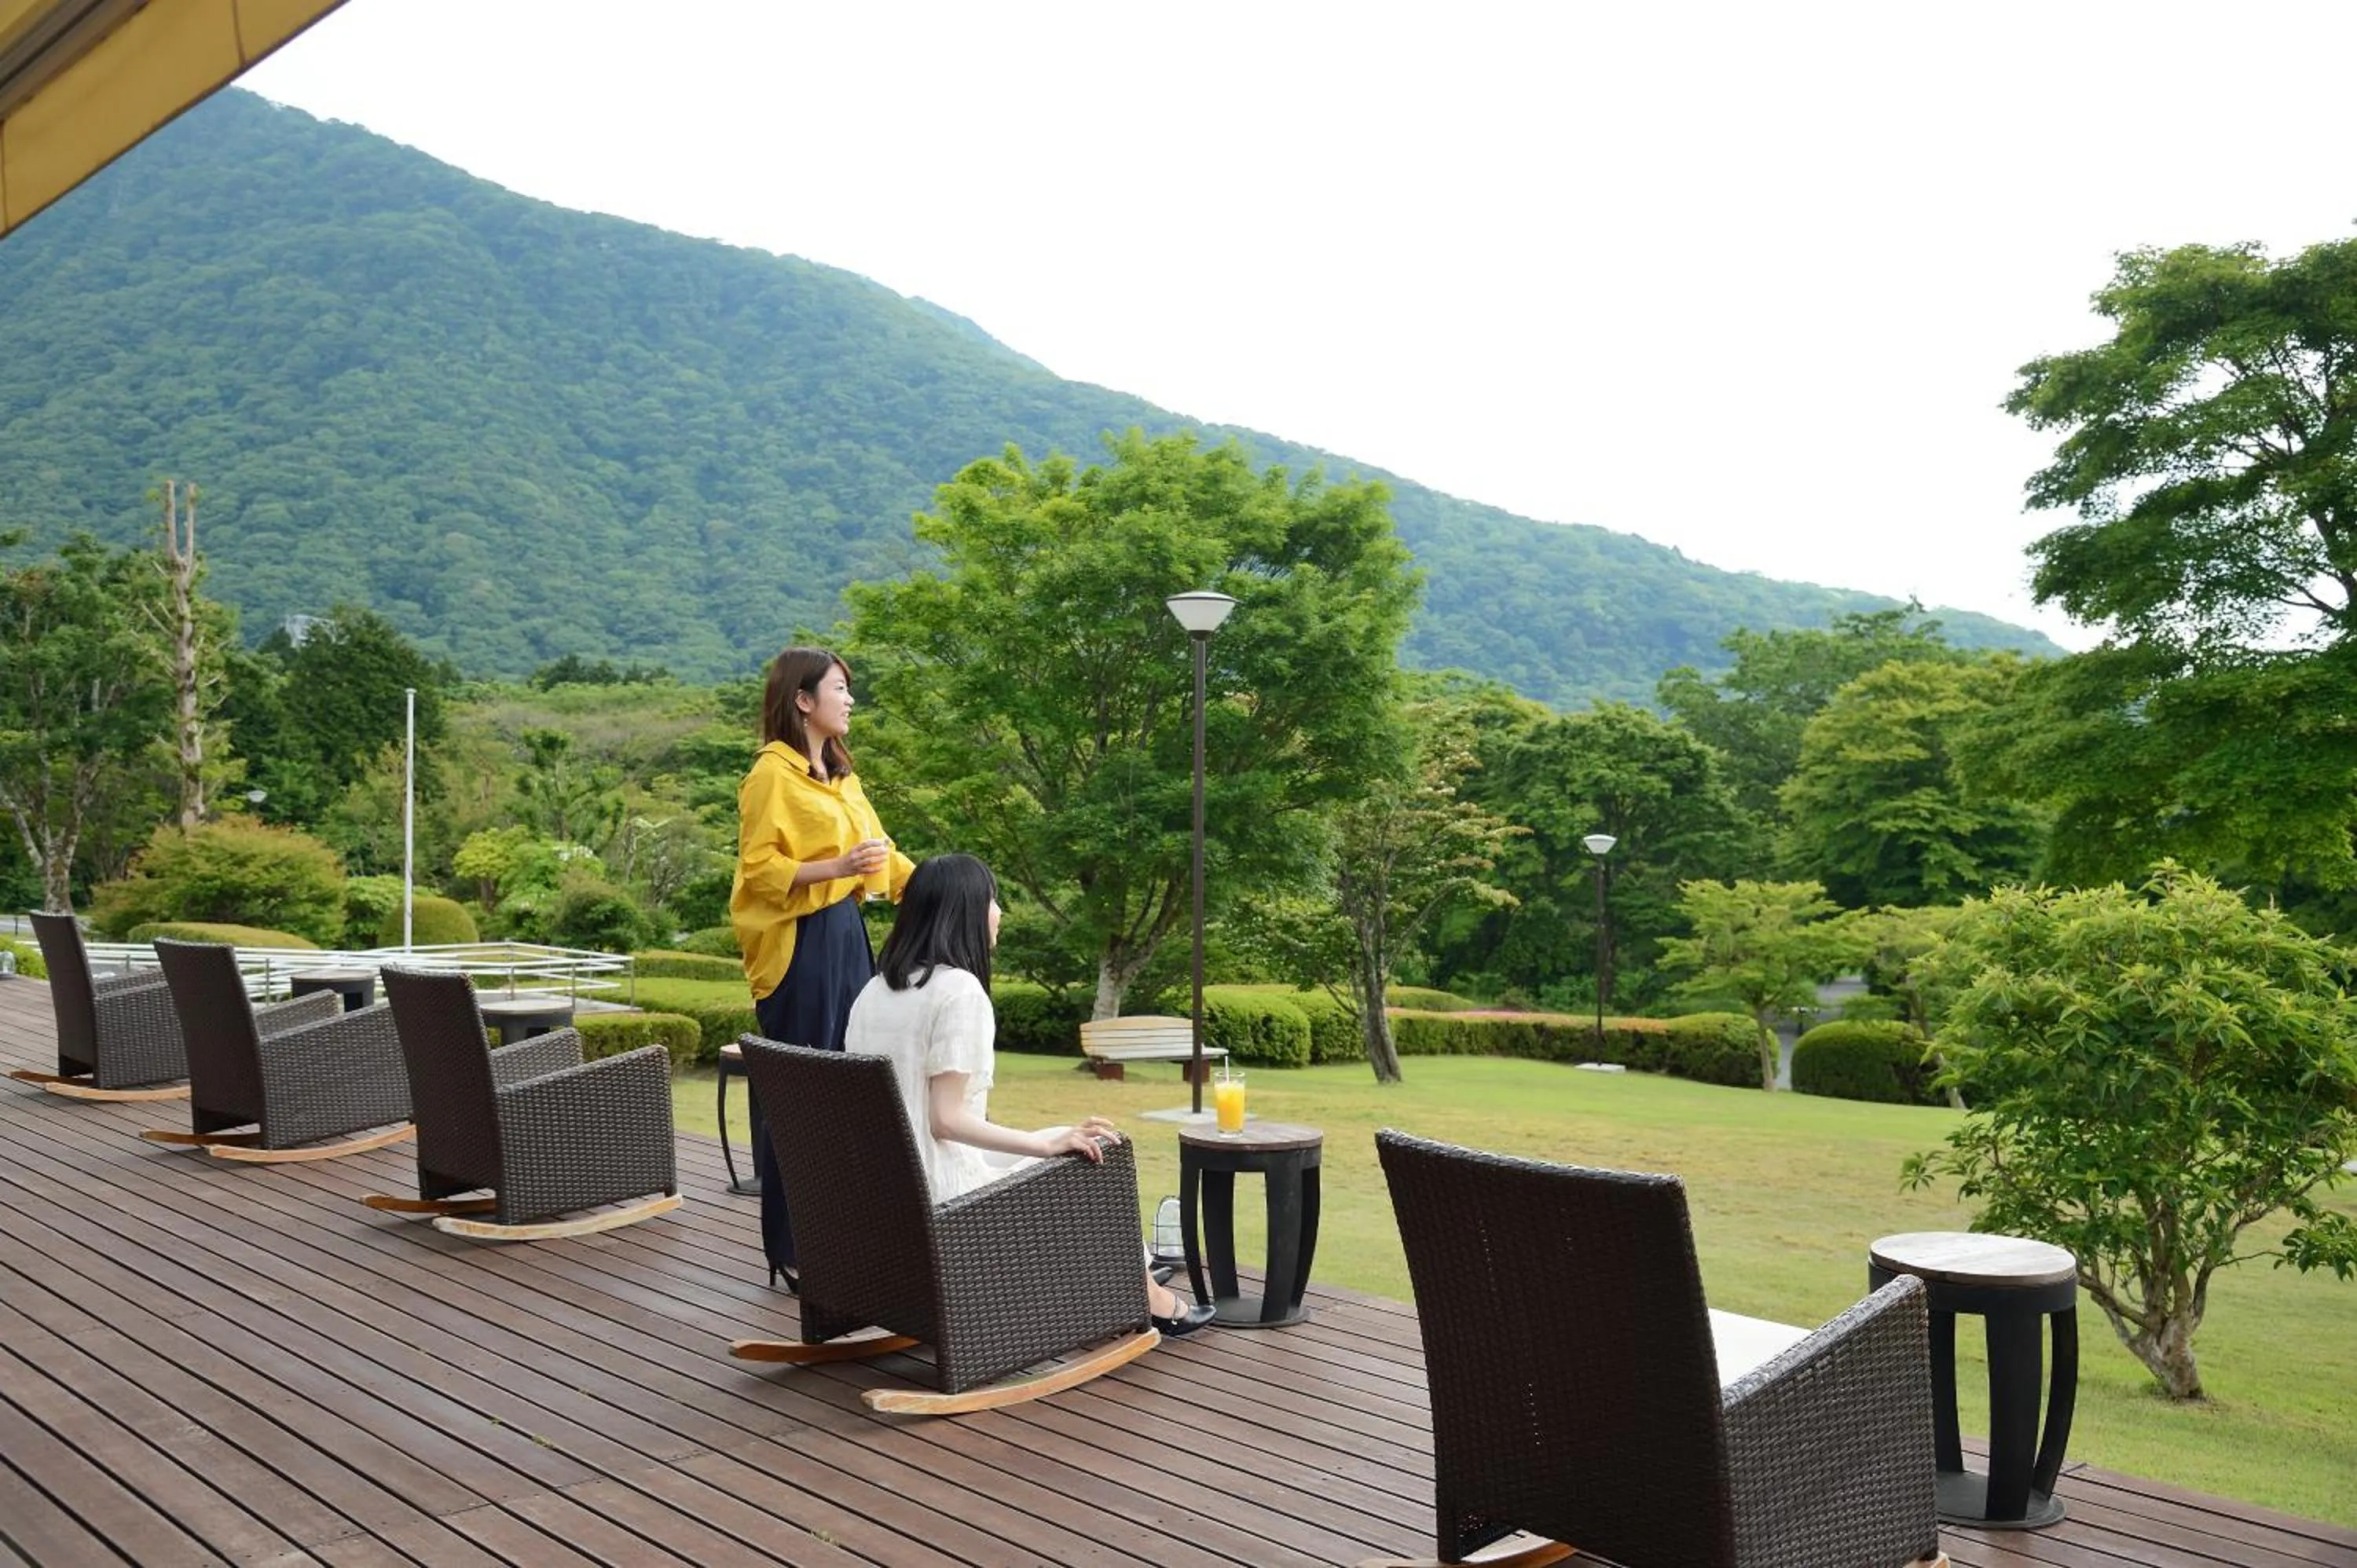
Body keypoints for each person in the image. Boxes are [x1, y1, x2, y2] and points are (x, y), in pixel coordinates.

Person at [846, 853, 1217, 1338]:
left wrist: (1048, 1138)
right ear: (966, 911)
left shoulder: (874, 992)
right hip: (943, 1203)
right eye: (993, 901)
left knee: (1073, 1138)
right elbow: (946, 1120)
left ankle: (1134, 1272)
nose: (999, 913)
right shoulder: (959, 992)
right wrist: (1045, 1146)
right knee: (1096, 1152)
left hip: (884, 1193)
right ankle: (1149, 1299)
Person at [732, 647, 915, 1288]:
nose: (850, 699)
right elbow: (760, 872)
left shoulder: (842, 777)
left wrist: (957, 899)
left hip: (847, 938)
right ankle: (792, 1251)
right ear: (803, 700)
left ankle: (843, 1240)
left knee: (851, 1093)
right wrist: (836, 869)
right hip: (799, 946)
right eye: (840, 688)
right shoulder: (770, 776)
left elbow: (883, 857)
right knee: (802, 1096)